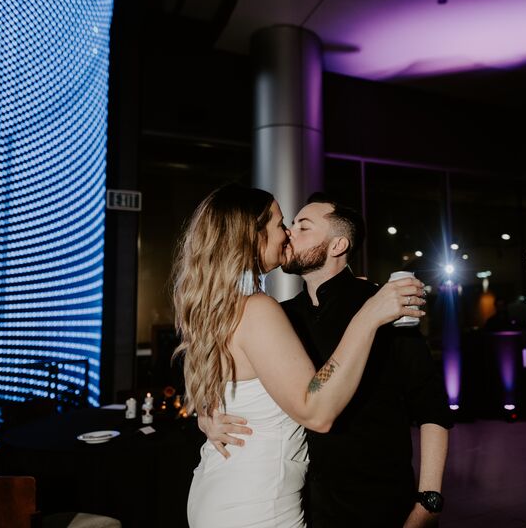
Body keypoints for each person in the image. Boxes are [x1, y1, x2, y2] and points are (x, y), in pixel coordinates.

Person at [174, 184, 425, 528]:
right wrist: (367, 317)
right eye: (280, 224)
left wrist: (206, 414)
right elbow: (314, 409)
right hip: (257, 504)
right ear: (253, 234)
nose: (287, 233)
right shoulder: (257, 309)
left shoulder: (221, 308)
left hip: (222, 490)